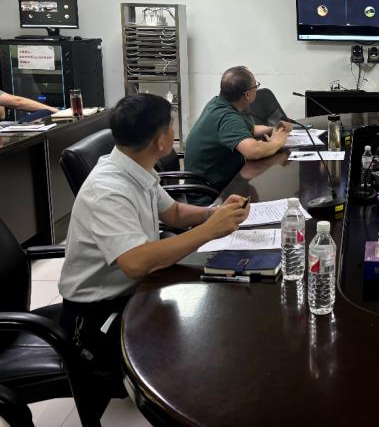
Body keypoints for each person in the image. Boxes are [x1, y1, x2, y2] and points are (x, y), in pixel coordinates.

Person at [58, 93, 250, 417]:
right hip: (95, 316)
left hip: (133, 292)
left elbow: (172, 212)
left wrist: (212, 213)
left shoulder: (135, 167)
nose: (174, 134)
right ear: (161, 141)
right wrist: (208, 231)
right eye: (172, 128)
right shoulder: (108, 190)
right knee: (202, 350)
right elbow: (135, 263)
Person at [185, 66, 291, 195]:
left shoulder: (219, 103)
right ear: (247, 94)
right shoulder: (228, 118)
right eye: (256, 86)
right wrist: (277, 143)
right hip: (209, 193)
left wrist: (273, 129)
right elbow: (253, 151)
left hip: (218, 182)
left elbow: (250, 129)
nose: (257, 89)